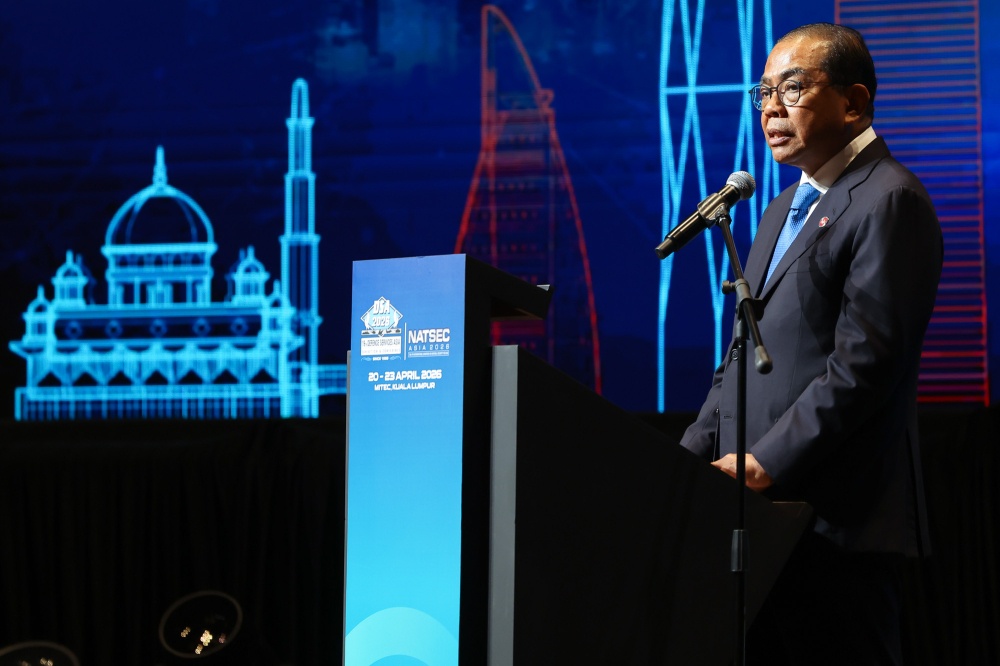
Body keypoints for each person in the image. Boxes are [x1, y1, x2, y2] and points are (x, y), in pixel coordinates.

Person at [678, 23, 942, 665]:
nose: (770, 107)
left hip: (833, 520)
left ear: (852, 103)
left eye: (790, 88)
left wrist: (768, 461)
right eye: (762, 91)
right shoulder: (777, 209)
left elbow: (866, 362)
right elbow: (741, 353)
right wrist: (685, 458)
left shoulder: (889, 198)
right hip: (757, 520)